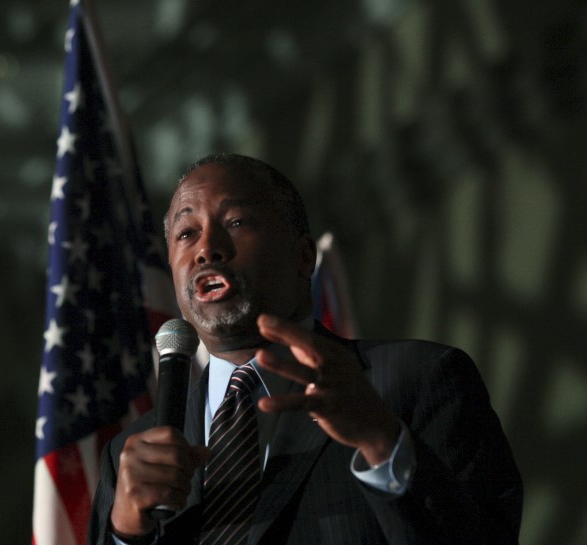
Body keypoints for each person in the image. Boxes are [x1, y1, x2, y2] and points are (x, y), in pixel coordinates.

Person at [87, 153, 523, 545]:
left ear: (303, 257)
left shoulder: (418, 379)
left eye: (236, 222)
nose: (206, 249)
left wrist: (382, 444)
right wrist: (126, 534)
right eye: (186, 233)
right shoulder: (130, 451)